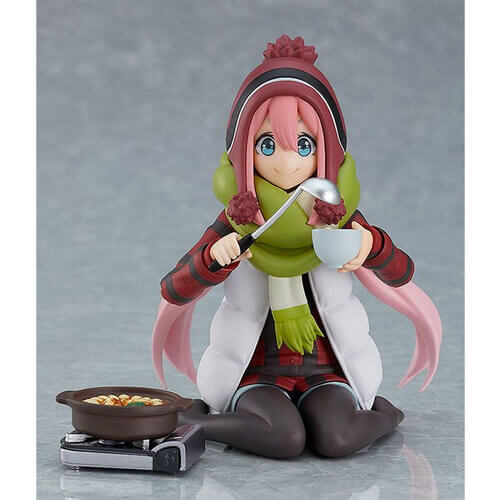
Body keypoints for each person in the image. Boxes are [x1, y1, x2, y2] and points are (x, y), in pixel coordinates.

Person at [152, 35, 442, 459]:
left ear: (326, 152)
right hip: (257, 372)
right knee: (285, 438)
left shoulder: (334, 214)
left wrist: (371, 245)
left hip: (327, 368)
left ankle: (385, 415)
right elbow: (174, 287)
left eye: (303, 146)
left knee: (337, 437)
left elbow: (401, 271)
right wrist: (213, 259)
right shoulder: (239, 219)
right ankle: (195, 420)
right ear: (243, 152)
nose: (286, 163)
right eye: (267, 145)